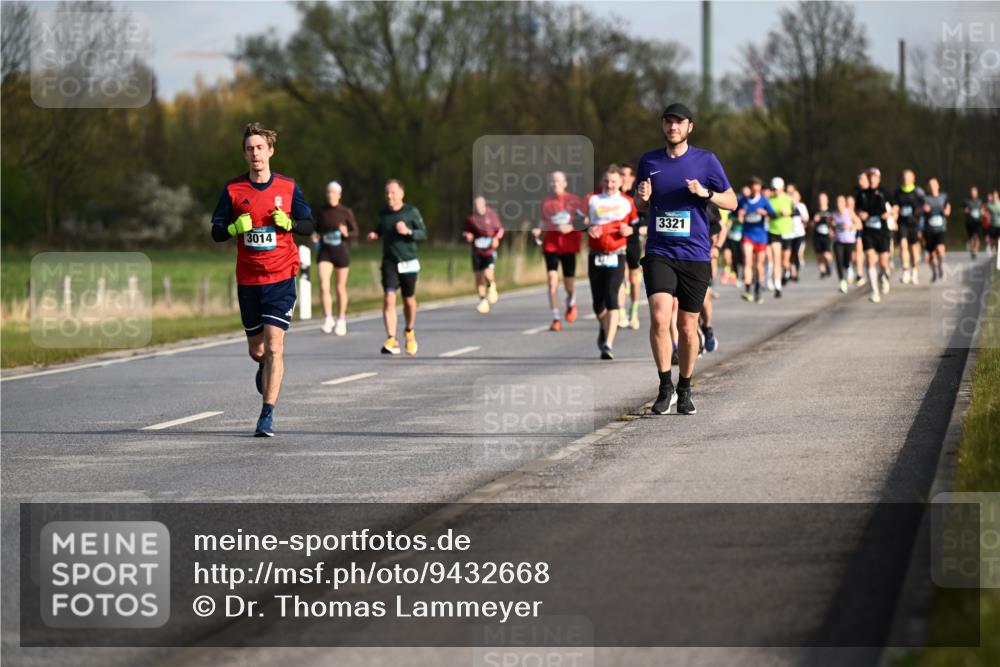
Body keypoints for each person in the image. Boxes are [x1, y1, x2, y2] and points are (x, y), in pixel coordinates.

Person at [211, 122, 313, 437]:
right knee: (258, 350)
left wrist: (290, 223)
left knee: (275, 346)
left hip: (281, 276)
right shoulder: (233, 190)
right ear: (244, 154)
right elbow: (216, 231)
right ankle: (262, 365)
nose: (255, 153)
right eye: (250, 149)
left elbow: (309, 224)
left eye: (260, 148)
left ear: (270, 151)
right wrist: (233, 229)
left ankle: (267, 414)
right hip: (249, 279)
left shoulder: (288, 187)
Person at [635, 103, 737, 415]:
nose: (673, 127)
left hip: (695, 254)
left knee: (688, 326)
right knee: (659, 317)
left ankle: (685, 388)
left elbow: (732, 202)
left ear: (689, 127)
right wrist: (641, 199)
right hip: (659, 251)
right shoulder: (649, 161)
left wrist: (707, 194)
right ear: (662, 125)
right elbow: (640, 206)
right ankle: (664, 387)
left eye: (679, 122)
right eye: (668, 122)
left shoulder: (706, 161)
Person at [582, 165, 636, 360]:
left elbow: (636, 225)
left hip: (617, 253)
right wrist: (588, 227)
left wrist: (629, 230)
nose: (610, 184)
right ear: (602, 181)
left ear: (620, 182)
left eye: (614, 181)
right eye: (607, 180)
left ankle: (608, 344)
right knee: (598, 304)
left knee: (612, 296)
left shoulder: (627, 201)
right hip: (595, 254)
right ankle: (604, 328)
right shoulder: (592, 199)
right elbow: (580, 220)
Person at [367, 179, 427, 355]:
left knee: (409, 300)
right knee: (389, 297)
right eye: (387, 193)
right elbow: (381, 227)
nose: (389, 196)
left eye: (393, 192)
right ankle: (392, 339)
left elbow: (423, 233)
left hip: (408, 261)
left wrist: (408, 231)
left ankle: (409, 331)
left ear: (402, 194)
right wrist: (375, 234)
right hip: (390, 261)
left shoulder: (411, 212)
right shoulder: (383, 213)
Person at [534, 171, 583, 331]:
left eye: (558, 181)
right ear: (550, 184)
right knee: (552, 280)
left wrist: (570, 227)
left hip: (569, 245)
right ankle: (556, 318)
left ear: (565, 183)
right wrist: (538, 230)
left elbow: (583, 222)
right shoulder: (545, 201)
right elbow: (543, 222)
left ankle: (571, 302)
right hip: (551, 245)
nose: (555, 184)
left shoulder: (574, 201)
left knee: (569, 284)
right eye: (553, 181)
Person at [312, 181, 359, 336]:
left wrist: (346, 233)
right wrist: (315, 236)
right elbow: (317, 230)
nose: (330, 195)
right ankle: (328, 318)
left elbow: (355, 232)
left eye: (333, 192)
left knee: (340, 287)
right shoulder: (322, 211)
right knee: (323, 284)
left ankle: (341, 320)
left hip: (341, 252)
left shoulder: (345, 212)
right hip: (325, 252)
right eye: (328, 192)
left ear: (339, 195)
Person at [857, 166, 893, 302]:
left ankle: (884, 277)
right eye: (870, 177)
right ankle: (875, 291)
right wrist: (860, 214)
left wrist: (889, 213)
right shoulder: (861, 194)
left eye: (874, 177)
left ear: (878, 179)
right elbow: (856, 209)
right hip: (868, 232)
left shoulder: (884, 192)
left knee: (883, 263)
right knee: (870, 259)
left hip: (882, 232)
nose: (872, 180)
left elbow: (895, 206)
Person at [463, 196, 504, 314]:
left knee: (487, 274)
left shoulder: (491, 215)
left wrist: (496, 238)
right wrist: (468, 236)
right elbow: (466, 231)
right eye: (476, 205)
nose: (478, 208)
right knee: (478, 276)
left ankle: (491, 286)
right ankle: (482, 300)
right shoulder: (471, 218)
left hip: (489, 250)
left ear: (484, 204)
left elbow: (500, 229)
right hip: (476, 251)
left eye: (480, 205)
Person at [738, 177, 775, 304]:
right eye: (753, 188)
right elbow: (735, 214)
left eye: (757, 188)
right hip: (747, 235)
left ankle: (758, 290)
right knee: (747, 262)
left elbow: (773, 214)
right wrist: (740, 214)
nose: (755, 190)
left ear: (760, 189)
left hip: (761, 237)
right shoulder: (743, 200)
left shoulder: (764, 201)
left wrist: (765, 213)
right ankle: (747, 289)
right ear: (750, 188)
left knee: (759, 265)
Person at [620, 163, 646, 330]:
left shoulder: (637, 196)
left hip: (633, 241)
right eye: (620, 174)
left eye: (625, 174)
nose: (622, 178)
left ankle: (634, 311)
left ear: (632, 177)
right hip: (616, 241)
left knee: (633, 279)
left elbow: (647, 222)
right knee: (619, 278)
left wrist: (633, 229)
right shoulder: (613, 195)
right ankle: (621, 313)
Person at [893, 169, 924, 285]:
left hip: (914, 224)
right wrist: (894, 218)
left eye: (908, 177)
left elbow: (923, 209)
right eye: (904, 177)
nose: (906, 179)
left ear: (913, 179)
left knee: (914, 249)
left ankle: (914, 270)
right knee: (903, 245)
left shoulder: (918, 192)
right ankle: (905, 270)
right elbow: (895, 207)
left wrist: (921, 226)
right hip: (902, 223)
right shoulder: (898, 192)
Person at [767, 177, 794, 297]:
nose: (775, 191)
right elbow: (768, 214)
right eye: (774, 189)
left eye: (777, 189)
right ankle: (777, 287)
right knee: (776, 259)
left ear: (782, 188)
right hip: (774, 231)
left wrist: (788, 213)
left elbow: (795, 212)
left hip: (787, 231)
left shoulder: (788, 199)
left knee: (785, 261)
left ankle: (787, 271)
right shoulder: (769, 200)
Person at [923, 177, 951, 283]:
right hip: (929, 231)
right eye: (930, 185)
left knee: (940, 250)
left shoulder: (944, 196)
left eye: (934, 185)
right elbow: (921, 211)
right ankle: (934, 272)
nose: (932, 187)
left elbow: (948, 208)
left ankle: (940, 266)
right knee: (930, 256)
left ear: (938, 185)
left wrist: (946, 211)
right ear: (928, 187)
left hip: (941, 229)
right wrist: (924, 209)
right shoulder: (925, 198)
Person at [832, 195, 862, 293]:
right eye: (837, 202)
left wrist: (849, 227)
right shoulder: (834, 214)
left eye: (841, 202)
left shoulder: (849, 212)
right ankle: (842, 282)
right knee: (839, 262)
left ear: (844, 203)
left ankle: (849, 268)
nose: (839, 204)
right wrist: (831, 230)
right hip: (838, 241)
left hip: (849, 242)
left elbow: (859, 225)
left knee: (846, 261)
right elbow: (831, 226)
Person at [787, 184, 808, 282]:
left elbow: (806, 219)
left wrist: (800, 214)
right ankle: (792, 272)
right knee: (790, 253)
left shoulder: (801, 206)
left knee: (796, 253)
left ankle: (796, 269)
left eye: (795, 196)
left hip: (799, 233)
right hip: (789, 233)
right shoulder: (788, 205)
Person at [812, 192, 834, 278]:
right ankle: (823, 271)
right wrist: (814, 221)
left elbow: (835, 223)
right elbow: (810, 225)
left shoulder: (830, 211)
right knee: (819, 255)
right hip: (817, 235)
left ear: (827, 200)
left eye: (824, 199)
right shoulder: (815, 211)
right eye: (820, 199)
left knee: (826, 254)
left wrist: (832, 228)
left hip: (827, 236)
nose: (822, 201)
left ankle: (828, 265)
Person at [964, 186, 984, 260]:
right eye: (972, 192)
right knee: (971, 237)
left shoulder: (980, 201)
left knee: (976, 236)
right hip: (969, 222)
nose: (973, 193)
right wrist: (968, 211)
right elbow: (964, 210)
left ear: (977, 193)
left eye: (975, 192)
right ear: (970, 193)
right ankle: (972, 250)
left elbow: (982, 210)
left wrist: (982, 212)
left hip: (977, 221)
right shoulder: (966, 201)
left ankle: (975, 250)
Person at [987, 189, 1000, 257]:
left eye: (995, 195)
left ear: (997, 196)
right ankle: (993, 252)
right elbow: (986, 212)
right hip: (992, 225)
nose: (994, 196)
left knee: (998, 240)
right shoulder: (989, 204)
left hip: (999, 225)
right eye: (993, 195)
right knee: (992, 241)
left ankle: (998, 254)